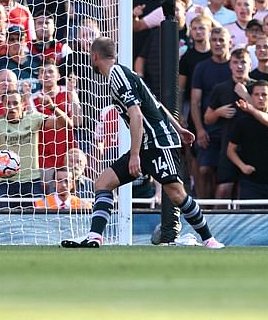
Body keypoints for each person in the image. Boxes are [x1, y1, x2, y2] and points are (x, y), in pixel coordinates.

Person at [61, 37, 224, 248]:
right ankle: (94, 237)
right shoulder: (124, 73)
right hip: (148, 143)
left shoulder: (118, 76)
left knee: (176, 193)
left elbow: (136, 115)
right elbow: (155, 103)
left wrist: (135, 154)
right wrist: (179, 128)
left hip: (157, 143)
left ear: (94, 57)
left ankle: (209, 239)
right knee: (103, 183)